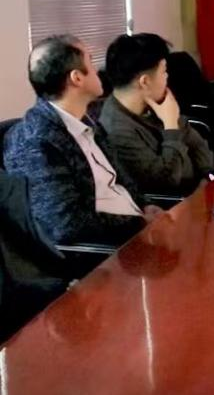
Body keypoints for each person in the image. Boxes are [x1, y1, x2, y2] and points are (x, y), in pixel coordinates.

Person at [4, 36, 150, 249]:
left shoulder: (87, 120)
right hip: (107, 252)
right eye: (90, 61)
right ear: (77, 78)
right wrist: (138, 223)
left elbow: (120, 181)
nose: (98, 70)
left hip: (137, 231)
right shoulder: (35, 141)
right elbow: (64, 225)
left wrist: (146, 207)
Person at [99, 33, 214, 198]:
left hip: (200, 193)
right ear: (145, 81)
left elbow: (200, 148)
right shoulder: (117, 131)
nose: (167, 77)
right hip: (174, 206)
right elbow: (166, 181)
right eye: (164, 71)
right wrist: (171, 126)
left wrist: (206, 178)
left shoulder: (154, 104)